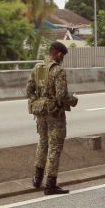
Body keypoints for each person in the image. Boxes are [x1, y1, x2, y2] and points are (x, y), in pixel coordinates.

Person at [26, 42, 78, 195]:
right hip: (55, 115)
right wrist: (73, 100)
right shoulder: (58, 71)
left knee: (43, 142)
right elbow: (61, 96)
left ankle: (37, 179)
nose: (62, 59)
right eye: (63, 56)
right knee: (55, 147)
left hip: (40, 113)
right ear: (59, 54)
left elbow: (29, 90)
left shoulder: (38, 68)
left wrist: (39, 102)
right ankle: (50, 184)